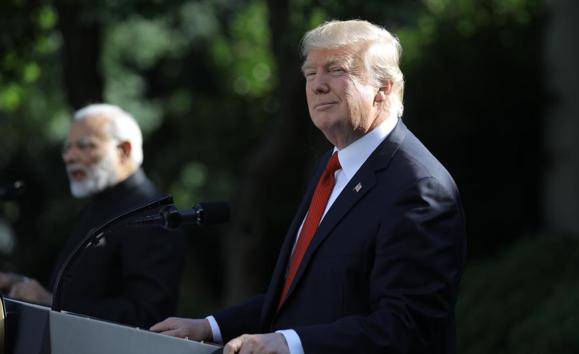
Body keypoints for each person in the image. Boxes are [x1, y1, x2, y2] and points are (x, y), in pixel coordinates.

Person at [151, 19, 466, 353]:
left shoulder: (418, 187)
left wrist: (291, 343)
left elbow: (407, 328)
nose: (317, 85)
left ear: (383, 88)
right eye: (310, 74)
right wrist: (209, 327)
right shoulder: (331, 166)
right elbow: (297, 295)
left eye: (335, 70)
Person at [0, 103, 185, 328]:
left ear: (124, 150)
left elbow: (149, 315)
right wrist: (19, 284)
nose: (70, 157)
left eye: (85, 146)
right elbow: (80, 292)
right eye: (67, 148)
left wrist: (52, 302)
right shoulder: (96, 207)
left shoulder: (153, 213)